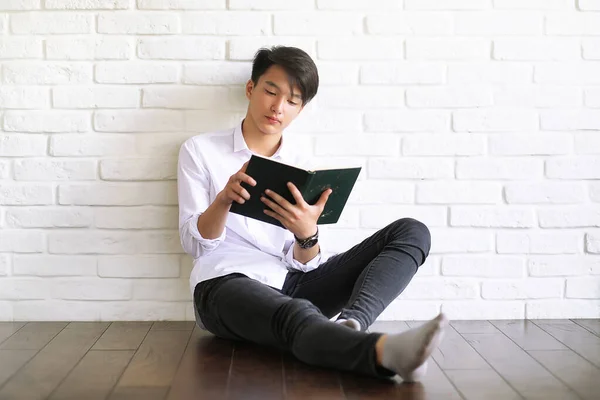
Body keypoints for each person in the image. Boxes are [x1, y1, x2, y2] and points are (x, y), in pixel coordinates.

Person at [177, 45, 448, 382]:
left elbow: (304, 262)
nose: (278, 107)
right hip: (224, 283)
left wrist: (308, 234)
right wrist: (223, 201)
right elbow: (196, 246)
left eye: (292, 101)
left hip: (292, 281)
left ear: (300, 109)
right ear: (251, 89)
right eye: (270, 92)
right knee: (295, 313)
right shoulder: (200, 150)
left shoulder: (302, 166)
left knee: (412, 230)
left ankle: (351, 325)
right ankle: (379, 352)